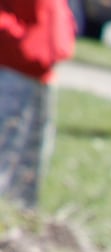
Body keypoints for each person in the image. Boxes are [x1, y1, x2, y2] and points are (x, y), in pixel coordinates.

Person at [0, 0, 74, 209]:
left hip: (39, 71)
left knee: (26, 176)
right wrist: (17, 42)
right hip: (8, 67)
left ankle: (17, 230)